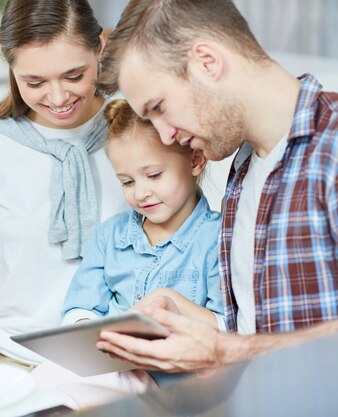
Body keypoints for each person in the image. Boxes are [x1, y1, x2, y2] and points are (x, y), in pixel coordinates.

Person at [92, 0, 338, 373]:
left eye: (159, 107)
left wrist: (222, 351)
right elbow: (260, 332)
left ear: (207, 62)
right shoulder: (242, 167)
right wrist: (189, 320)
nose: (166, 134)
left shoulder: (331, 147)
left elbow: (239, 350)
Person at [0, 0, 128, 368]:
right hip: (19, 360)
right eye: (34, 82)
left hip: (127, 358)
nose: (57, 98)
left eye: (74, 76)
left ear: (99, 48)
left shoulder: (138, 129)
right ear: (11, 67)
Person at [62, 99, 224, 329]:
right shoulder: (109, 236)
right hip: (114, 361)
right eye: (127, 182)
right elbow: (79, 308)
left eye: (154, 175)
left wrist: (171, 302)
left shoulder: (219, 238)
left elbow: (229, 327)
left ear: (196, 161)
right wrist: (87, 329)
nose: (140, 193)